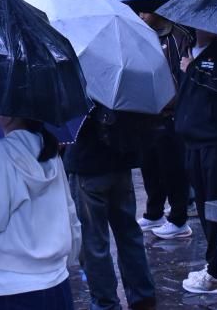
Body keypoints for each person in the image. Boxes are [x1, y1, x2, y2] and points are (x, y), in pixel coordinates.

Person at [0, 114, 80, 310]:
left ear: (10, 114)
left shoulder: (1, 154)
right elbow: (70, 214)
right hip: (58, 282)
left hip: (12, 286)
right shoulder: (49, 151)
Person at [63, 104, 157, 310]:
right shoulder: (120, 86)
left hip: (88, 163)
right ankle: (142, 297)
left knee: (93, 241)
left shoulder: (82, 87)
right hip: (119, 160)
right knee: (128, 234)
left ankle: (105, 303)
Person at [175, 27, 217, 295]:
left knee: (215, 205)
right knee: (203, 206)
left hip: (215, 143)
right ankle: (213, 263)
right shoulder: (188, 48)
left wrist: (193, 69)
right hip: (191, 140)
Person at [134, 13, 191, 241]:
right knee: (149, 166)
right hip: (147, 111)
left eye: (145, 12)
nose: (141, 16)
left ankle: (178, 219)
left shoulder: (178, 36)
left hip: (170, 113)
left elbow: (181, 75)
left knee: (173, 169)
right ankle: (154, 213)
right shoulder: (140, 33)